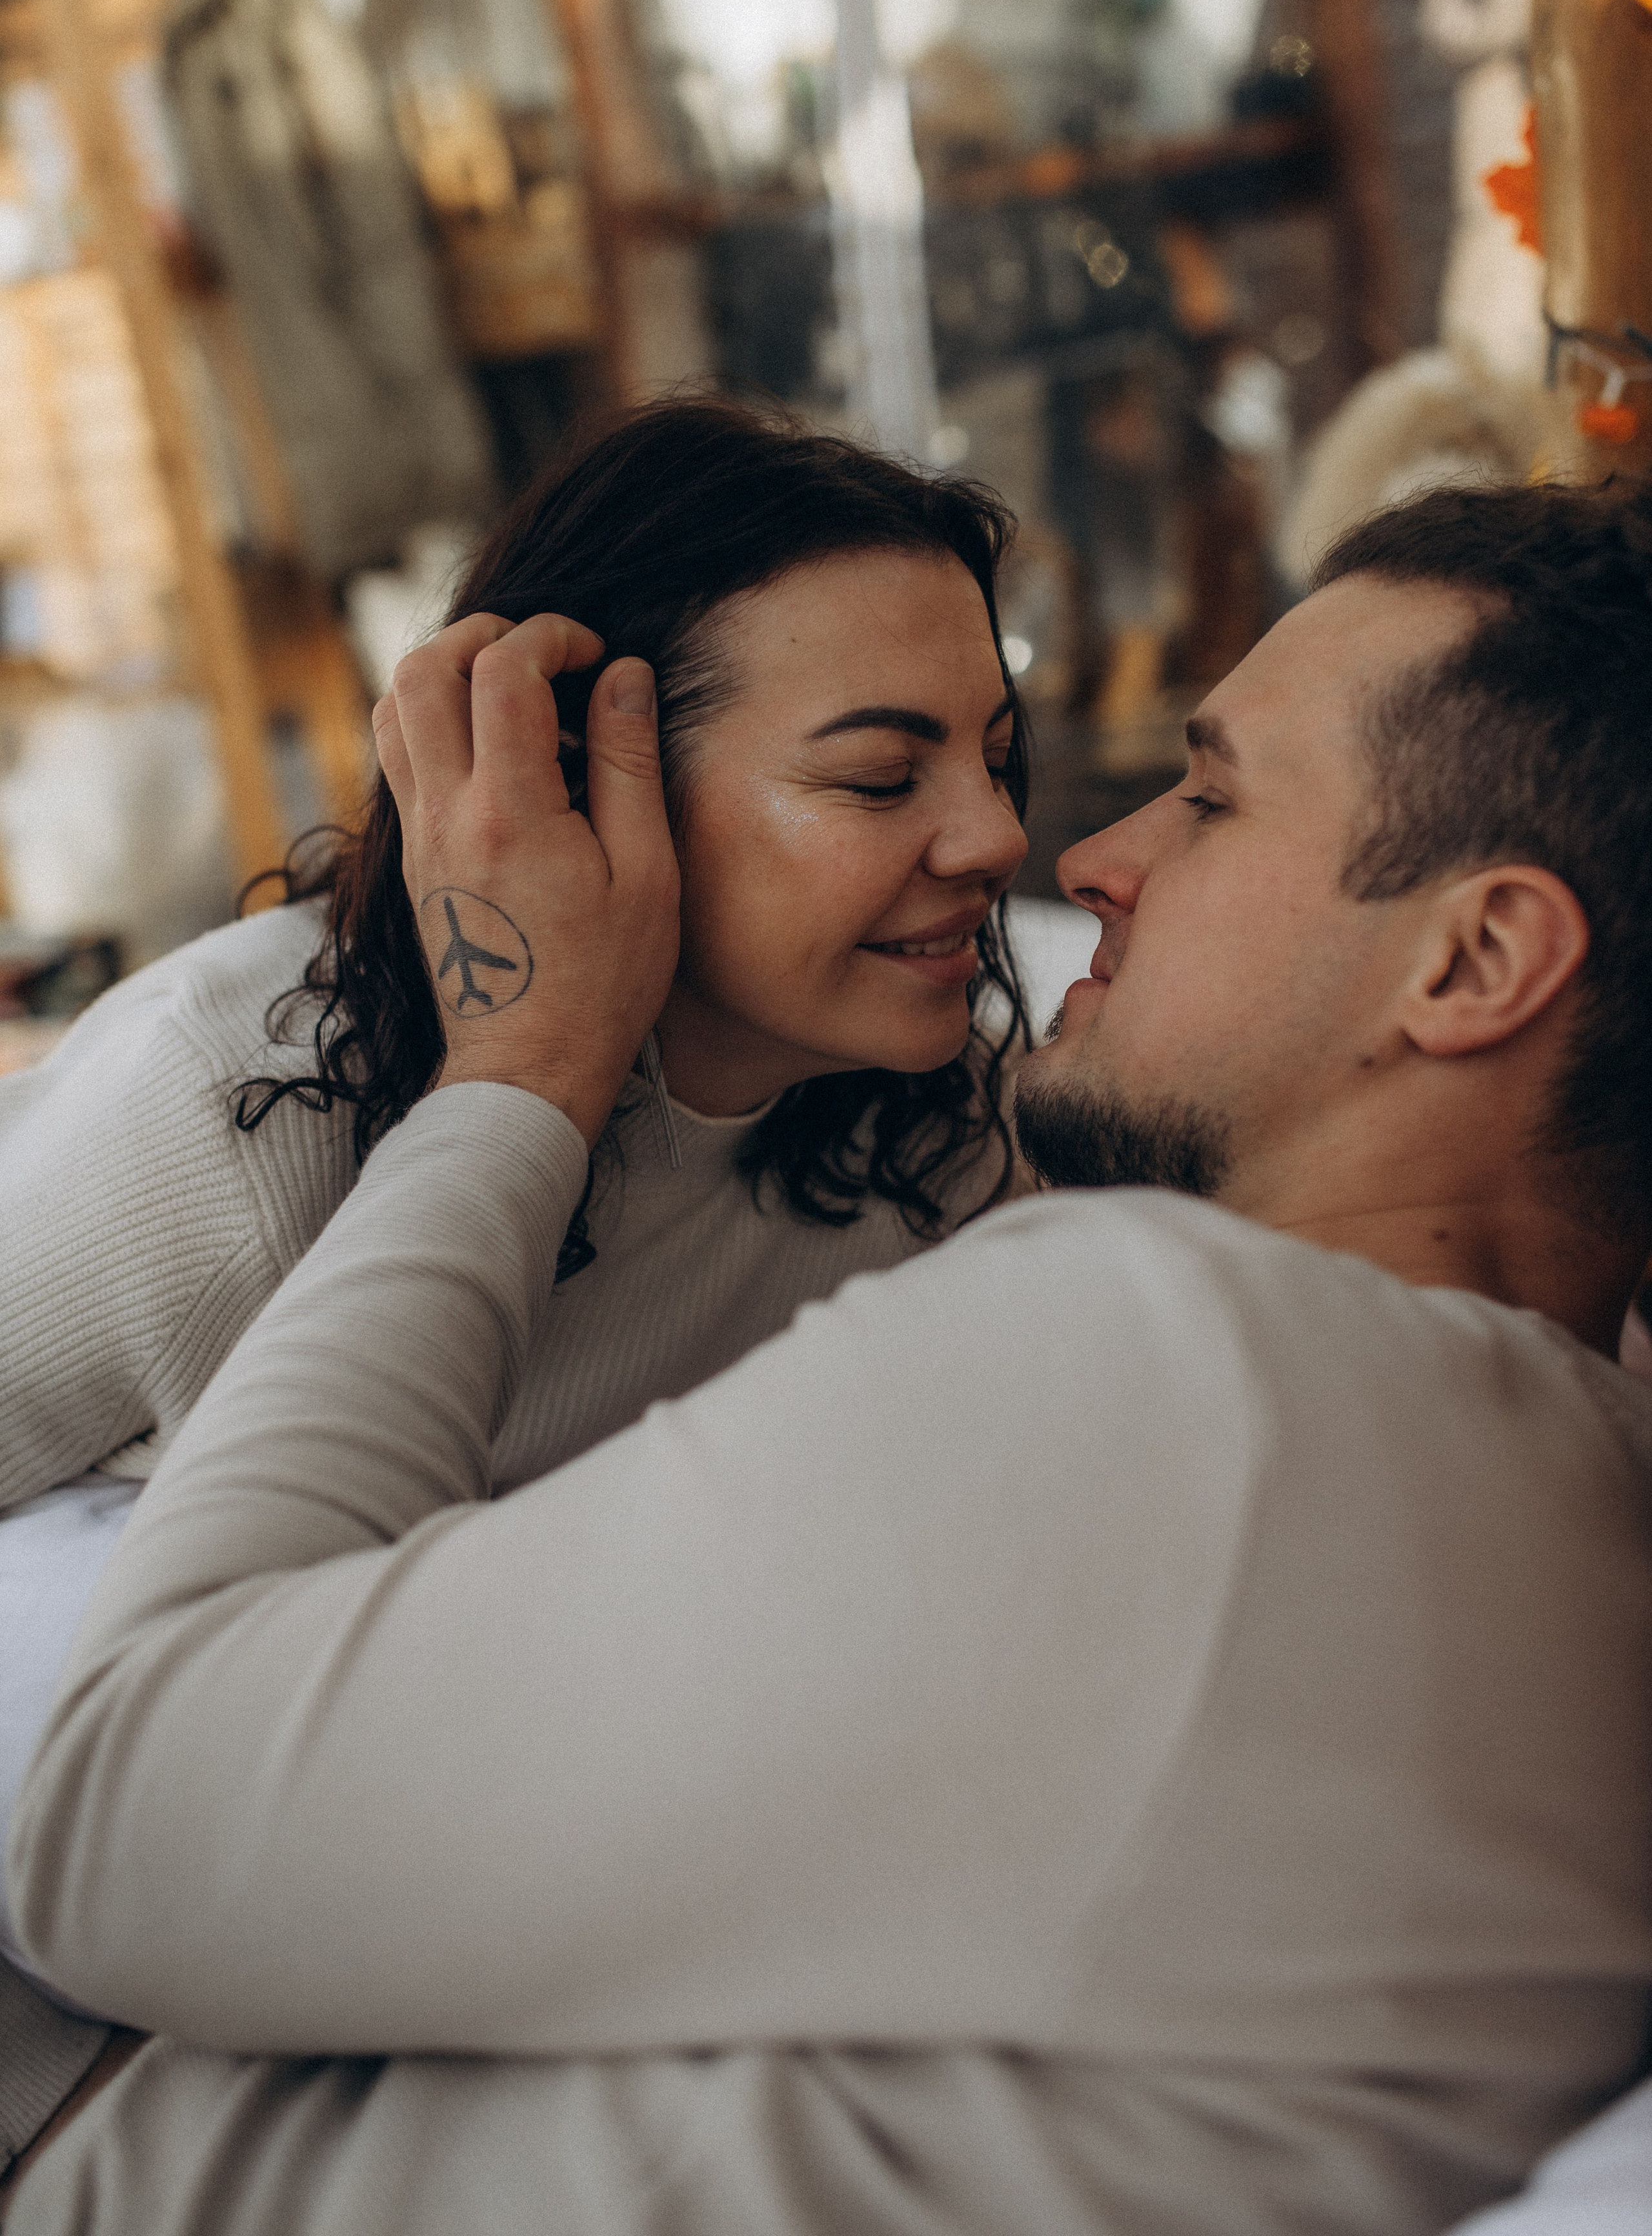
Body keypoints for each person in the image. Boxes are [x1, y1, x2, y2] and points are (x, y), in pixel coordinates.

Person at [8, 478, 1652, 2236]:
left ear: (1475, 960)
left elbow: (120, 1827)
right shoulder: (1569, 1509)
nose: (1068, 852)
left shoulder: (1171, 1370)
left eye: (1213, 798)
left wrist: (520, 1077)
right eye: (881, 777)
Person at [0, 398, 1036, 2153]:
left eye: (996, 757)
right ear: (574, 785)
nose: (995, 836)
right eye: (881, 777)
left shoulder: (944, 1146)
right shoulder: (233, 1109)